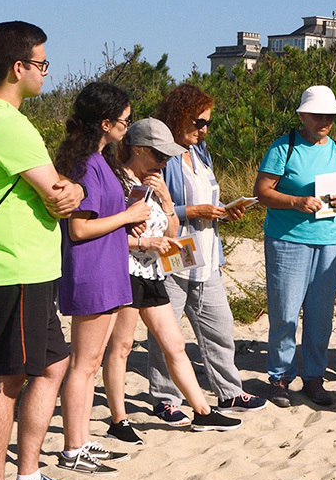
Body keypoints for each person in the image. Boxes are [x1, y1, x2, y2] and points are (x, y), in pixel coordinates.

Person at [0, 21, 84, 480]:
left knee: (53, 364)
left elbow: (56, 191)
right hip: (12, 267)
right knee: (5, 381)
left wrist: (66, 189)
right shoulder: (5, 121)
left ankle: (27, 474)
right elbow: (59, 198)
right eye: (42, 64)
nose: (45, 74)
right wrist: (69, 190)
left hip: (27, 267)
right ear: (18, 67)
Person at [102, 118, 242, 443]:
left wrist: (166, 202)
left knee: (175, 344)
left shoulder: (156, 181)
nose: (165, 161)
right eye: (159, 155)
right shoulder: (116, 182)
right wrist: (142, 243)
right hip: (124, 271)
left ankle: (203, 413)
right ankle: (119, 420)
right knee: (121, 347)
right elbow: (105, 237)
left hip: (152, 272)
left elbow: (171, 234)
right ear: (138, 149)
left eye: (167, 156)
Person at [147, 84, 267, 426]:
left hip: (207, 251)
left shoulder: (201, 154)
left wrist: (223, 212)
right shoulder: (163, 157)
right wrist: (194, 210)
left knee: (219, 325)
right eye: (198, 122)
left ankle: (229, 390)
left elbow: (207, 200)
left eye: (207, 123)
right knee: (167, 330)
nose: (203, 130)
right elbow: (156, 208)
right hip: (175, 250)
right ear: (177, 117)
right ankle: (165, 398)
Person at [54, 82, 148, 475]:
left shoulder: (100, 160)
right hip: (92, 272)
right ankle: (73, 448)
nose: (128, 127)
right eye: (125, 121)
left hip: (108, 269)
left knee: (90, 362)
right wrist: (127, 217)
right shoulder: (86, 165)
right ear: (105, 123)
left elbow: (100, 222)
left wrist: (128, 228)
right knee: (84, 363)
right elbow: (78, 229)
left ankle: (80, 441)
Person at [253, 85, 336, 407]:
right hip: (288, 241)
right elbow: (262, 192)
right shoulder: (284, 147)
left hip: (330, 240)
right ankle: (280, 377)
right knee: (285, 312)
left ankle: (314, 377)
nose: (324, 120)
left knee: (320, 314)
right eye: (317, 114)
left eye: (329, 115)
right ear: (302, 115)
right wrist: (296, 201)